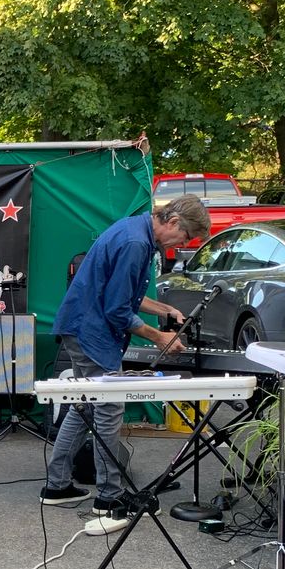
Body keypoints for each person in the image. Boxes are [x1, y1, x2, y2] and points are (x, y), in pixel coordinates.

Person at [39, 195, 211, 519]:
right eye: (184, 237)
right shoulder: (136, 244)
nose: (180, 245)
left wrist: (165, 309)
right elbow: (117, 309)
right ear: (173, 222)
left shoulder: (135, 230)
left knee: (84, 406)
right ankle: (109, 497)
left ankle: (56, 486)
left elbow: (126, 294)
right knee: (108, 409)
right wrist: (159, 337)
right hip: (92, 332)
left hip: (80, 327)